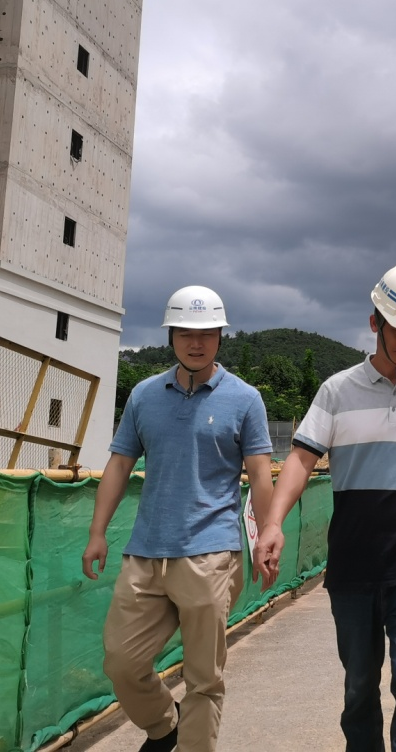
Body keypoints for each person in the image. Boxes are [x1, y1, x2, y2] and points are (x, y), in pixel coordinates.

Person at [254, 263, 396, 752]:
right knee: (359, 690)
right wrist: (273, 523)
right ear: (375, 323)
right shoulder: (336, 391)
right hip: (354, 565)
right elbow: (301, 458)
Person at [82, 285, 273, 752]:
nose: (196, 343)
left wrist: (267, 535)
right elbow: (119, 465)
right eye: (185, 333)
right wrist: (97, 532)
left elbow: (259, 475)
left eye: (206, 334)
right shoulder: (145, 395)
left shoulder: (245, 399)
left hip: (211, 554)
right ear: (170, 336)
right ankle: (165, 726)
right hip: (146, 552)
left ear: (221, 336)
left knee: (203, 677)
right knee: (122, 663)